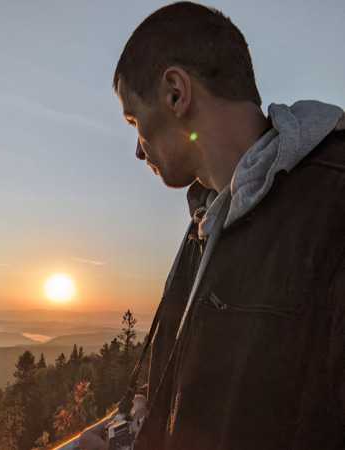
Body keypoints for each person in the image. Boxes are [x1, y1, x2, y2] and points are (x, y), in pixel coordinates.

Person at [81, 2, 345, 449]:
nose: (139, 150)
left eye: (134, 120)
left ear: (176, 93)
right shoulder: (204, 226)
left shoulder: (332, 206)